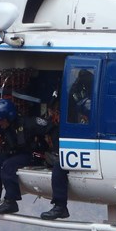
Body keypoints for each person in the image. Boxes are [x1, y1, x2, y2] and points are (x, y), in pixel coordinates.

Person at [40, 92, 70, 220]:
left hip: (68, 156)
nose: (54, 114)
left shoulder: (70, 123)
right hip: (54, 155)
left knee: (59, 168)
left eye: (56, 111)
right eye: (53, 111)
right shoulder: (50, 125)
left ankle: (60, 206)